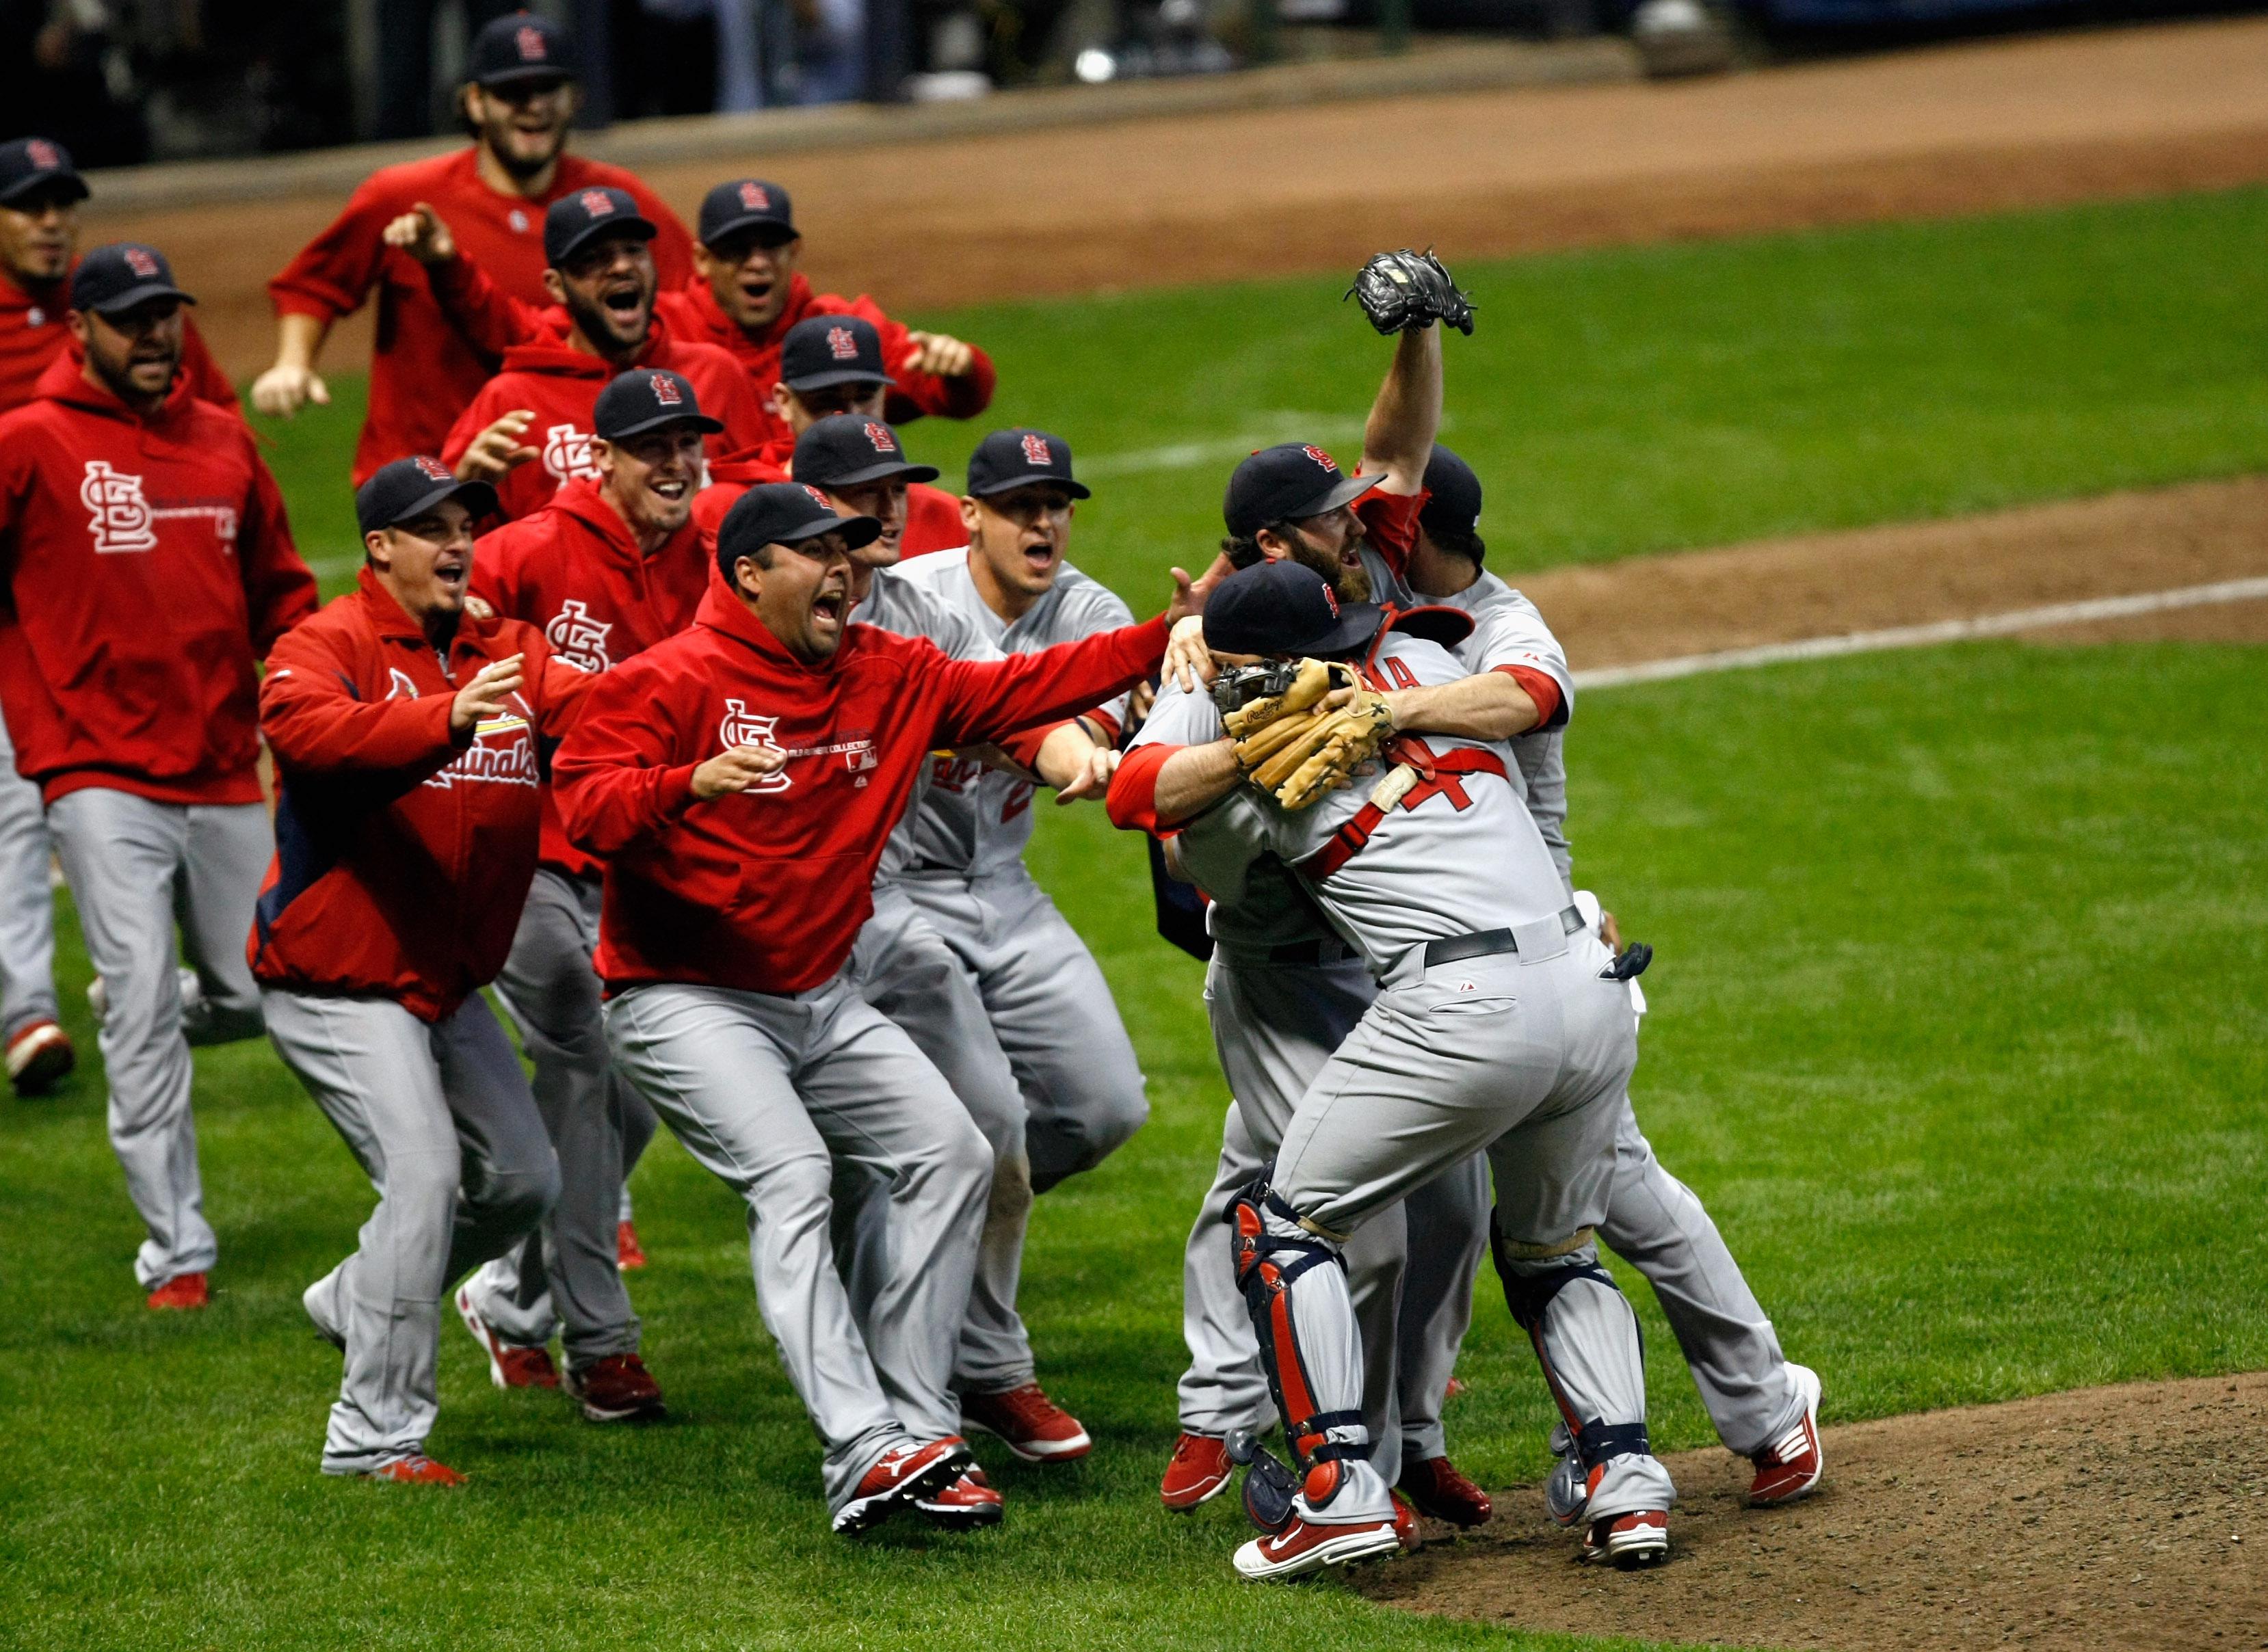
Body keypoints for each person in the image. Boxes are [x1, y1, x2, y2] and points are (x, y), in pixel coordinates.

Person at [549, 481, 1195, 1532]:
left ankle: (920, 1425)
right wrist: (685, 785)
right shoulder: (665, 681)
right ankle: (860, 1447)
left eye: (852, 551)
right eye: (817, 553)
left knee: (952, 1153)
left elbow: (1031, 681)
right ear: (749, 572)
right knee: (796, 1175)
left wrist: (1164, 634)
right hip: (683, 996)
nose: (846, 570)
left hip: (818, 992)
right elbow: (582, 804)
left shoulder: (889, 672)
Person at [1109, 559, 1678, 1577]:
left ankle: (1338, 1492)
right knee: (1554, 1250)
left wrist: (1231, 740)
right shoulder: (1420, 659)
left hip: (1462, 1009)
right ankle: (1626, 1489)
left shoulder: (1256, 750)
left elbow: (1138, 800)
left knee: (1285, 1225)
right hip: (1588, 981)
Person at [795, 414, 1119, 1465]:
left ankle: (924, 1242)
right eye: (860, 493)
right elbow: (1021, 719)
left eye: (896, 487)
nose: (1042, 522)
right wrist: (1071, 749)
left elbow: (1038, 710)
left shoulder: (1022, 609)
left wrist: (1095, 746)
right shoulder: (882, 604)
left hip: (1004, 890)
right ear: (974, 518)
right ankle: (985, 1364)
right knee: (986, 1137)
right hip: (888, 893)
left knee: (1100, 1107)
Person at [255, 456, 586, 1484]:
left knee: (525, 1180)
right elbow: (305, 733)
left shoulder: (507, 651)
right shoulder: (326, 643)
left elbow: (614, 713)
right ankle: (373, 1436)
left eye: (466, 525)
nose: (457, 543)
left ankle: (356, 1296)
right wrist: (444, 720)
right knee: (427, 1176)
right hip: (333, 974)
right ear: (379, 548)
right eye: (430, 526)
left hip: (439, 979)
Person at [0, 243, 317, 1307]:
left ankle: (148, 1000)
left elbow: (283, 593)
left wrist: (316, 692)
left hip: (226, 763)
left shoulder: (224, 443)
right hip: (95, 771)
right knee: (138, 1010)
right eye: (128, 319)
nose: (152, 335)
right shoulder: (29, 444)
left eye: (164, 316)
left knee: (260, 995)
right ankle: (177, 1251)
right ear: (79, 330)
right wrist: (33, 711)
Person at [449, 370, 720, 1419]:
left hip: (650, 864)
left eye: (686, 443)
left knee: (639, 1092)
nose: (673, 462)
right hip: (533, 854)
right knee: (581, 1058)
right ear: (596, 456)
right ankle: (603, 1346)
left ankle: (513, 1297)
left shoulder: (715, 564)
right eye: (649, 445)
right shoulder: (521, 554)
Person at [0, 136, 238, 1094]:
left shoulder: (121, 320)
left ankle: (134, 991)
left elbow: (211, 428)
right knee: (16, 811)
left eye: (63, 205)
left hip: (114, 611)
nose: (52, 222)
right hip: (16, 624)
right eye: (30, 206)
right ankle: (29, 1013)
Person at [256, 12, 694, 483]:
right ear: (476, 103)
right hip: (419, 476)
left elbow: (694, 302)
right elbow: (314, 285)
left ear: (574, 99)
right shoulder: (405, 196)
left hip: (550, 474)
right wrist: (292, 364)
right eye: (513, 93)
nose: (534, 107)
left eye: (548, 89)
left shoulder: (614, 205)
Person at [423, 189, 763, 522]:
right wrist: (462, 493)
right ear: (557, 286)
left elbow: (768, 501)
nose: (621, 267)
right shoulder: (512, 402)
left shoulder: (716, 373)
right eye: (595, 259)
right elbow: (441, 544)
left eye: (634, 251)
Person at [654, 178, 993, 436]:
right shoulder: (662, 330)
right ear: (701, 260)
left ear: (794, 251)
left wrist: (963, 371)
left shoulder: (839, 328)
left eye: (772, 246)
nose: (757, 263)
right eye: (737, 249)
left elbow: (955, 399)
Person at [692, 315, 966, 557]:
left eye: (865, 397)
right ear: (784, 403)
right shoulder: (722, 510)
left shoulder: (942, 515)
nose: (849, 415)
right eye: (826, 401)